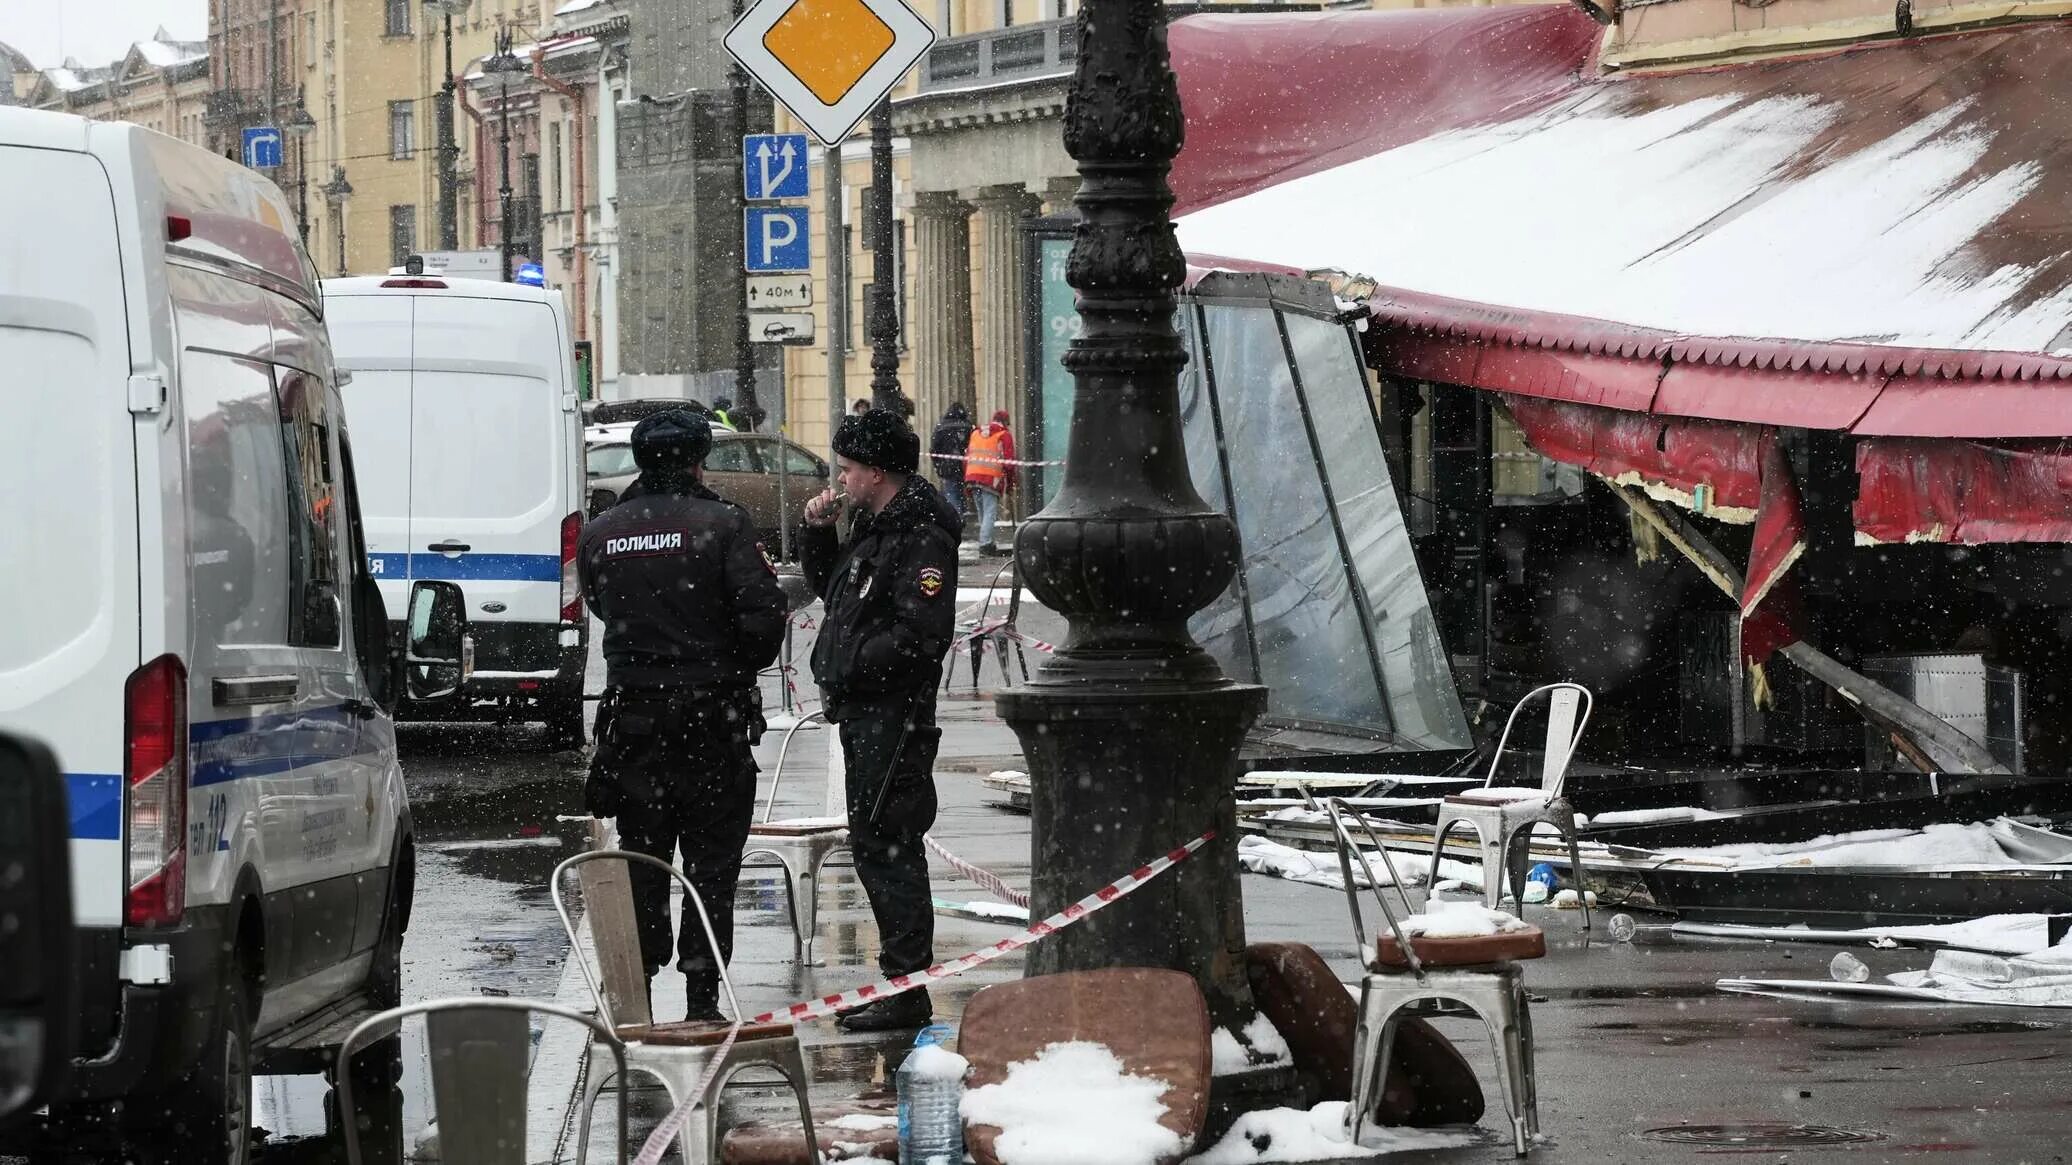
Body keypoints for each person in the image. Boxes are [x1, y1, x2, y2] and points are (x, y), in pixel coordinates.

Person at [578, 409, 786, 1023]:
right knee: (712, 865)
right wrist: (716, 655)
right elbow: (763, 625)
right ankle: (702, 995)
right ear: (699, 461)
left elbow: (599, 604)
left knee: (644, 856)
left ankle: (638, 985)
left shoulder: (604, 531)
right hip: (709, 721)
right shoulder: (723, 525)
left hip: (633, 724)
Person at [800, 409, 960, 1031]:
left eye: (846, 470)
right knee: (875, 842)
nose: (839, 481)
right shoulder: (877, 525)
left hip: (895, 714)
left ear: (875, 472)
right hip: (868, 709)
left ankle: (907, 986)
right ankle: (902, 981)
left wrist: (853, 668)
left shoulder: (919, 534)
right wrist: (819, 532)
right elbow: (837, 594)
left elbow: (922, 634)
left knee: (886, 843)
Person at [963, 409, 1018, 557]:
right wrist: (1011, 482)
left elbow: (967, 458)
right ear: (1005, 422)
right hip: (990, 478)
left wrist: (967, 480)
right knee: (989, 513)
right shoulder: (1004, 435)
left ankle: (987, 541)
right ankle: (985, 544)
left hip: (973, 477)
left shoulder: (976, 433)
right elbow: (1009, 463)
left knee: (983, 513)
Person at [930, 402, 974, 524]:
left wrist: (938, 465)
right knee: (961, 492)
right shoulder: (968, 426)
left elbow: (934, 449)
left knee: (951, 492)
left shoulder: (941, 427)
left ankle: (957, 519)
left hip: (947, 466)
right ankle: (961, 515)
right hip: (966, 466)